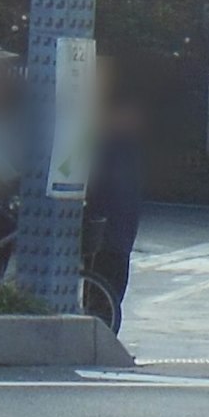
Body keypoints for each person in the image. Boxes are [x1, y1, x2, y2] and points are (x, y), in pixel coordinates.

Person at [81, 89, 148, 331]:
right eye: (127, 114)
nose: (133, 119)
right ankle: (96, 333)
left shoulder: (129, 148)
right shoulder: (100, 145)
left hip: (123, 233)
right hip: (105, 231)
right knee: (102, 286)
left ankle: (105, 334)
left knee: (116, 287)